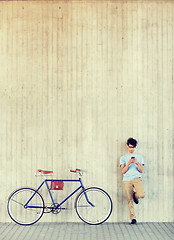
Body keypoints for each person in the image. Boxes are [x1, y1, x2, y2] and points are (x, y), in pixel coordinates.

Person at [120, 138, 145, 224]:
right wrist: (129, 163)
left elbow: (141, 170)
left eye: (133, 147)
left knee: (141, 194)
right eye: (130, 147)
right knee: (130, 200)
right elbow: (123, 171)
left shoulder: (140, 157)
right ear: (127, 146)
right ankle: (133, 218)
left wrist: (137, 163)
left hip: (137, 178)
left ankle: (135, 195)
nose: (132, 149)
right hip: (127, 180)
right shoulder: (123, 158)